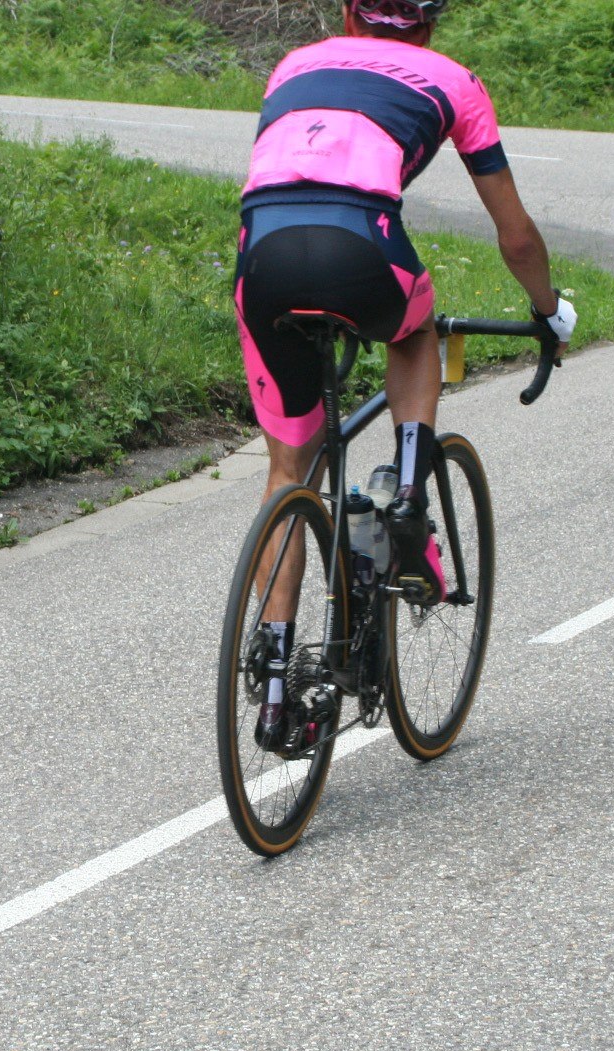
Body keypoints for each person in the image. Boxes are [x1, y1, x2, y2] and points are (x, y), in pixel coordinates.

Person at [233, 0, 574, 747]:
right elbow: (514, 235)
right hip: (361, 250)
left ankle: (277, 671)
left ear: (350, 15)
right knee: (416, 329)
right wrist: (548, 310)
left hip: (262, 257)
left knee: (292, 467)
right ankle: (412, 488)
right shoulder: (454, 80)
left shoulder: (294, 64)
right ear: (430, 22)